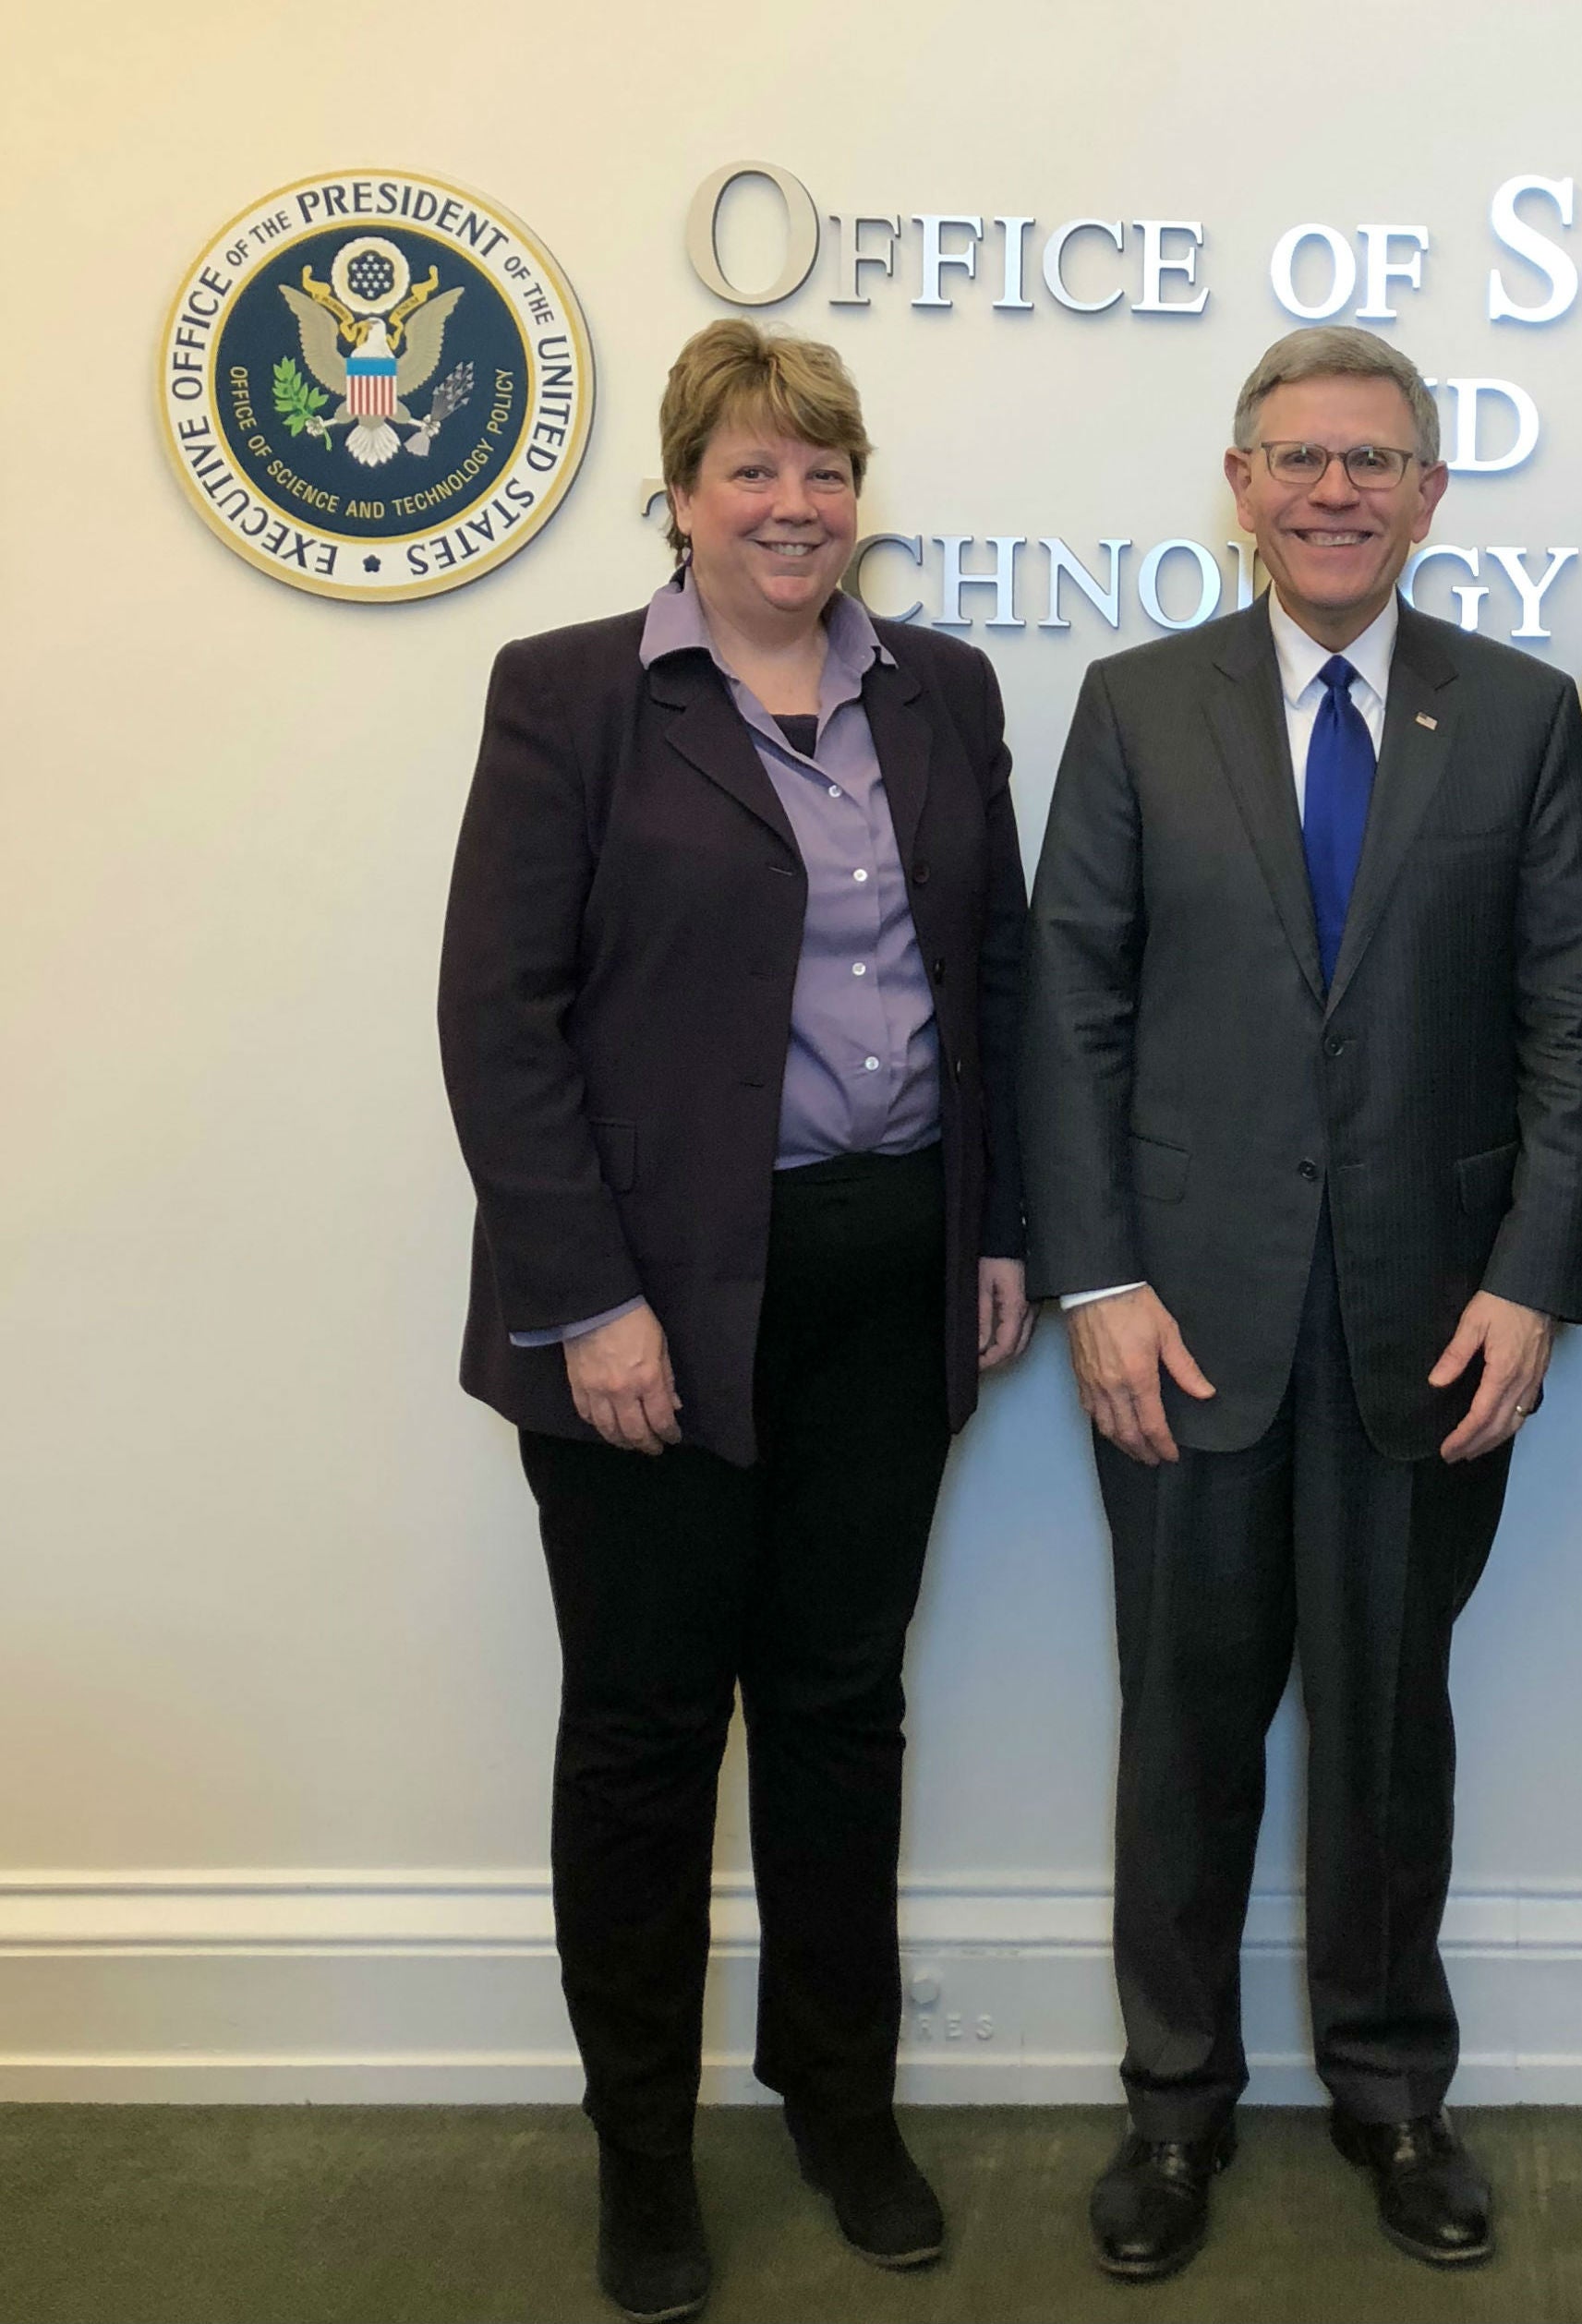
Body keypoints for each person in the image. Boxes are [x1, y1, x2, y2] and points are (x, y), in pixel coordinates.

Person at [437, 319, 1031, 2323]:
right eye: (753, 471)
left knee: (842, 1706)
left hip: (887, 1279)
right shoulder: (574, 698)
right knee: (642, 1730)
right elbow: (498, 1022)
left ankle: (839, 2101)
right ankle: (643, 2149)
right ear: (679, 493)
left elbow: (999, 981)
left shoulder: (940, 690)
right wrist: (587, 1291)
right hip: (654, 1300)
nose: (795, 507)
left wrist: (998, 1227)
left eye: (825, 468)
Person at [1020, 325, 1582, 2279]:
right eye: (1297, 458)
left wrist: (1533, 1279)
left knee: (1386, 1731)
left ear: (1429, 491)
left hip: (1424, 1334)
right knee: (1180, 1727)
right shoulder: (1132, 704)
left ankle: (1389, 2092)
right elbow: (1071, 1011)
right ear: (1239, 479)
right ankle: (1173, 2107)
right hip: (1177, 1329)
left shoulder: (1521, 718)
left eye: (1371, 459)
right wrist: (1096, 1278)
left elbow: (1568, 1028)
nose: (1333, 490)